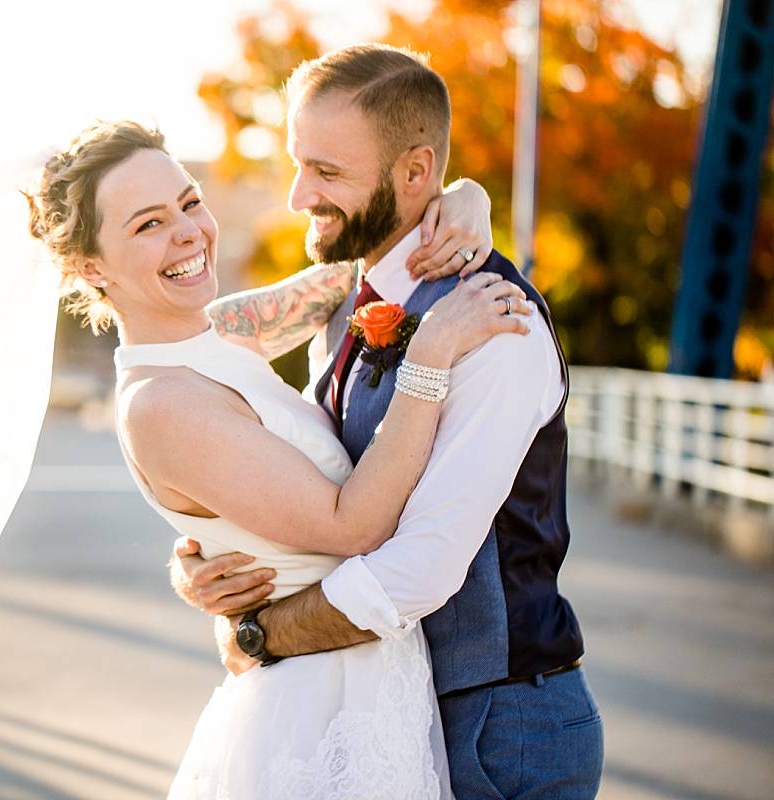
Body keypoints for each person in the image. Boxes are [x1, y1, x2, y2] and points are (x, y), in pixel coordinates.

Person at [23, 115, 532, 798]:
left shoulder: (222, 331)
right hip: (318, 712)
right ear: (91, 269)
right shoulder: (160, 403)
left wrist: (467, 197)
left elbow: (348, 276)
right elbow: (354, 527)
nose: (188, 233)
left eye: (189, 202)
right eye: (147, 224)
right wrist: (430, 355)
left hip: (369, 687)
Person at [169, 44, 605, 799]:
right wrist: (215, 552)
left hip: (498, 729)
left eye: (328, 172)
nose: (299, 195)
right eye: (299, 164)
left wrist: (258, 633)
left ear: (415, 172)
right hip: (384, 713)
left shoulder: (497, 323)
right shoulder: (340, 299)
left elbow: (419, 571)